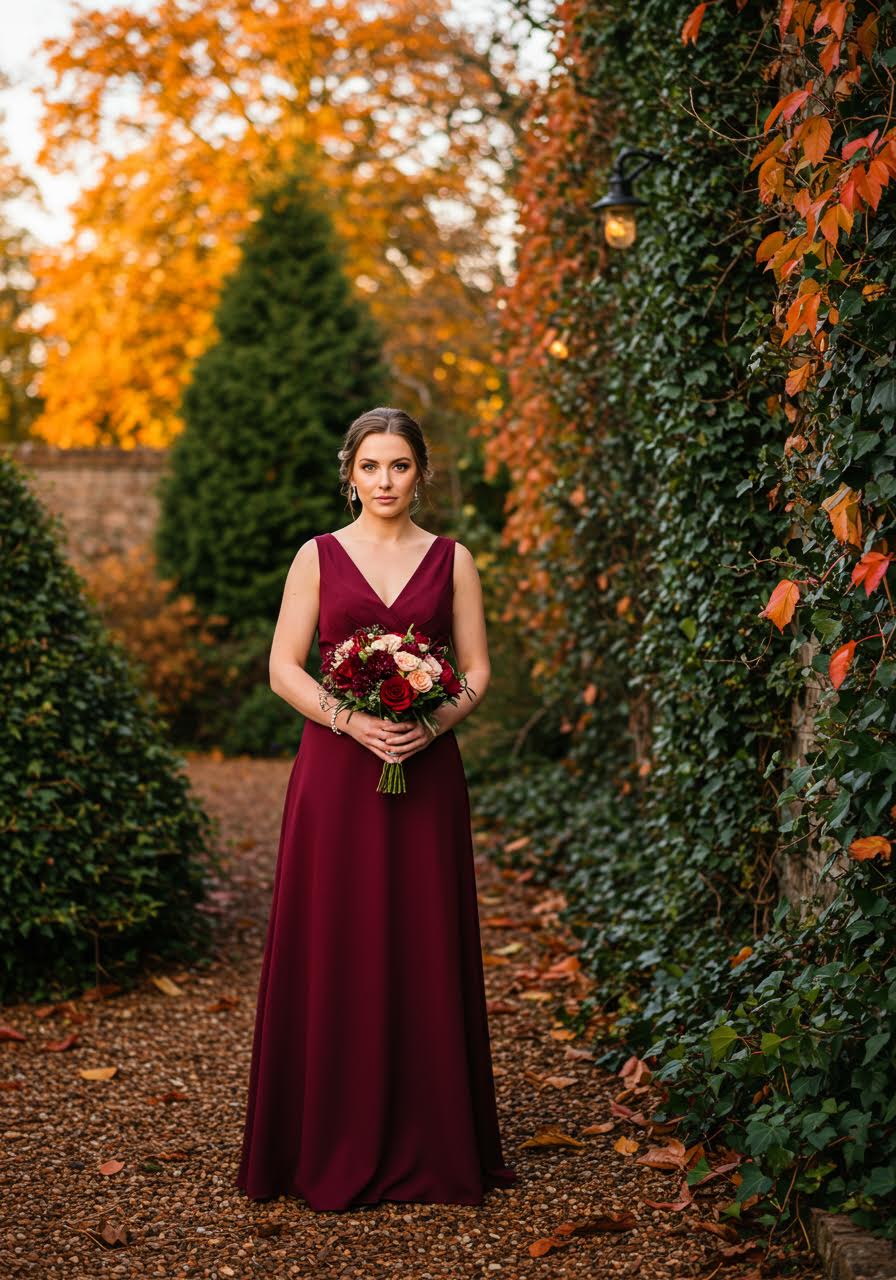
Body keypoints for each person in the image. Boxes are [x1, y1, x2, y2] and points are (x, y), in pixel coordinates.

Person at [234, 405, 517, 1210]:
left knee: (422, 937)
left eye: (399, 466)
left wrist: (429, 724)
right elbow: (285, 668)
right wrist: (350, 718)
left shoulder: (454, 560)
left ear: (420, 472)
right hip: (335, 773)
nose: (385, 481)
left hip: (425, 774)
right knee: (337, 937)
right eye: (371, 467)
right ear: (349, 473)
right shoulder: (317, 557)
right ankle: (324, 1135)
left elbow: (477, 670)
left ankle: (432, 1138)